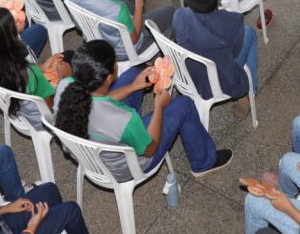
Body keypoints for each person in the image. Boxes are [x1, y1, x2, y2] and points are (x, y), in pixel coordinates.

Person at [53, 39, 233, 180]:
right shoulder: (124, 118)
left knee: (132, 74)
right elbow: (150, 149)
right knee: (184, 104)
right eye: (115, 63)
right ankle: (204, 162)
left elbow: (97, 101)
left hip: (92, 149)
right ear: (108, 78)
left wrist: (133, 86)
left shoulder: (65, 86)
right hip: (131, 165)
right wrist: (159, 107)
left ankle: (136, 85)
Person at [174, 0, 259, 116]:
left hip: (189, 76)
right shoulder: (234, 20)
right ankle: (248, 93)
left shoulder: (179, 16)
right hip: (222, 79)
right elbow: (236, 53)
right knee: (250, 32)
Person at [0, 8, 68, 128]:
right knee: (70, 58)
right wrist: (64, 79)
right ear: (11, 38)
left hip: (17, 108)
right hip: (43, 119)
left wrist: (41, 68)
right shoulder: (31, 75)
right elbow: (50, 108)